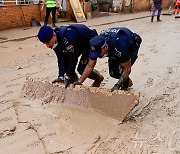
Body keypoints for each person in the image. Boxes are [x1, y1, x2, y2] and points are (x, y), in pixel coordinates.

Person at [73, 27, 142, 91]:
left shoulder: (119, 46)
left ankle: (125, 86)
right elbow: (90, 66)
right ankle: (126, 81)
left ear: (105, 47)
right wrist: (80, 81)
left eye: (99, 53)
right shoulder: (96, 44)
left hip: (131, 46)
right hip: (112, 46)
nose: (98, 56)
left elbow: (127, 69)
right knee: (113, 73)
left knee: (122, 69)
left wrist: (117, 85)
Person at [37, 24, 104, 88]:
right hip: (77, 42)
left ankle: (98, 78)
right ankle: (76, 86)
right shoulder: (56, 40)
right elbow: (60, 58)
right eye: (45, 43)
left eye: (48, 42)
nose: (48, 46)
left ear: (54, 35)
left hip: (88, 41)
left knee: (81, 69)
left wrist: (68, 76)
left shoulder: (67, 37)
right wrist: (61, 76)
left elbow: (73, 59)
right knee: (66, 66)